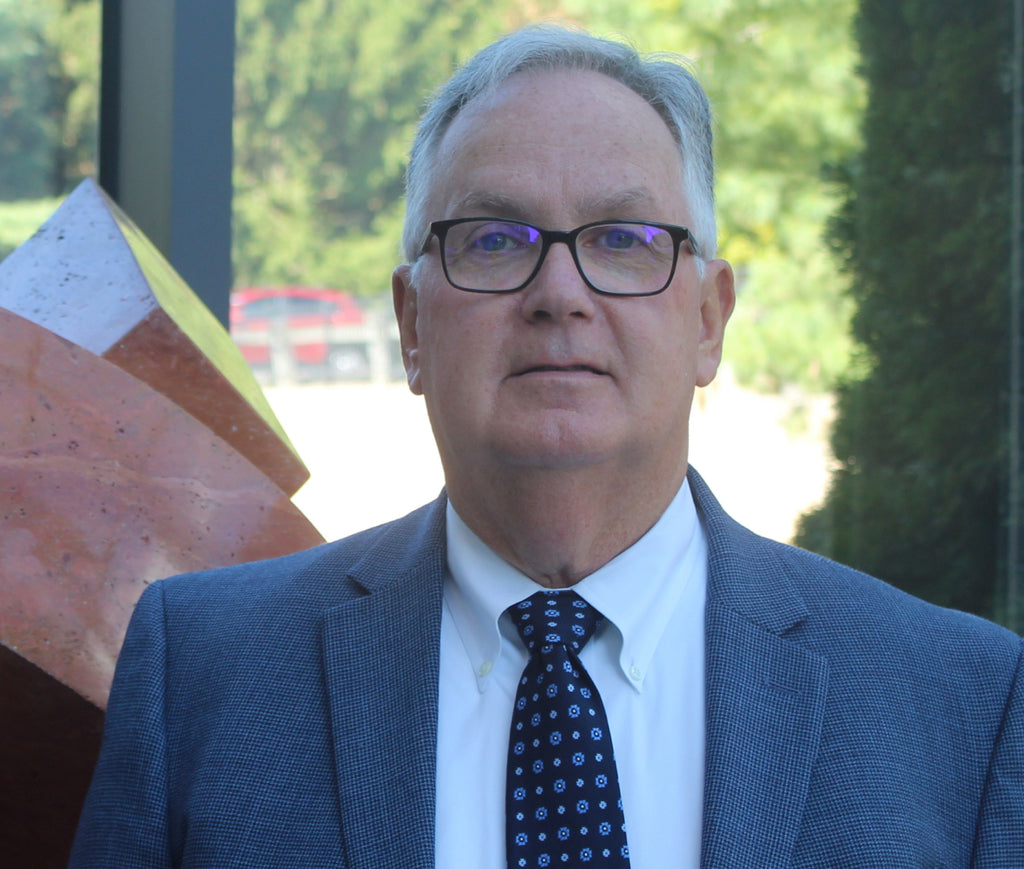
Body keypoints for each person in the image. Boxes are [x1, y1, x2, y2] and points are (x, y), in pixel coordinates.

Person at [71, 24, 1022, 869]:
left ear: (708, 319)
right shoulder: (203, 674)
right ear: (411, 323)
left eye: (623, 239)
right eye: (494, 240)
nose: (559, 293)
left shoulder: (963, 705)